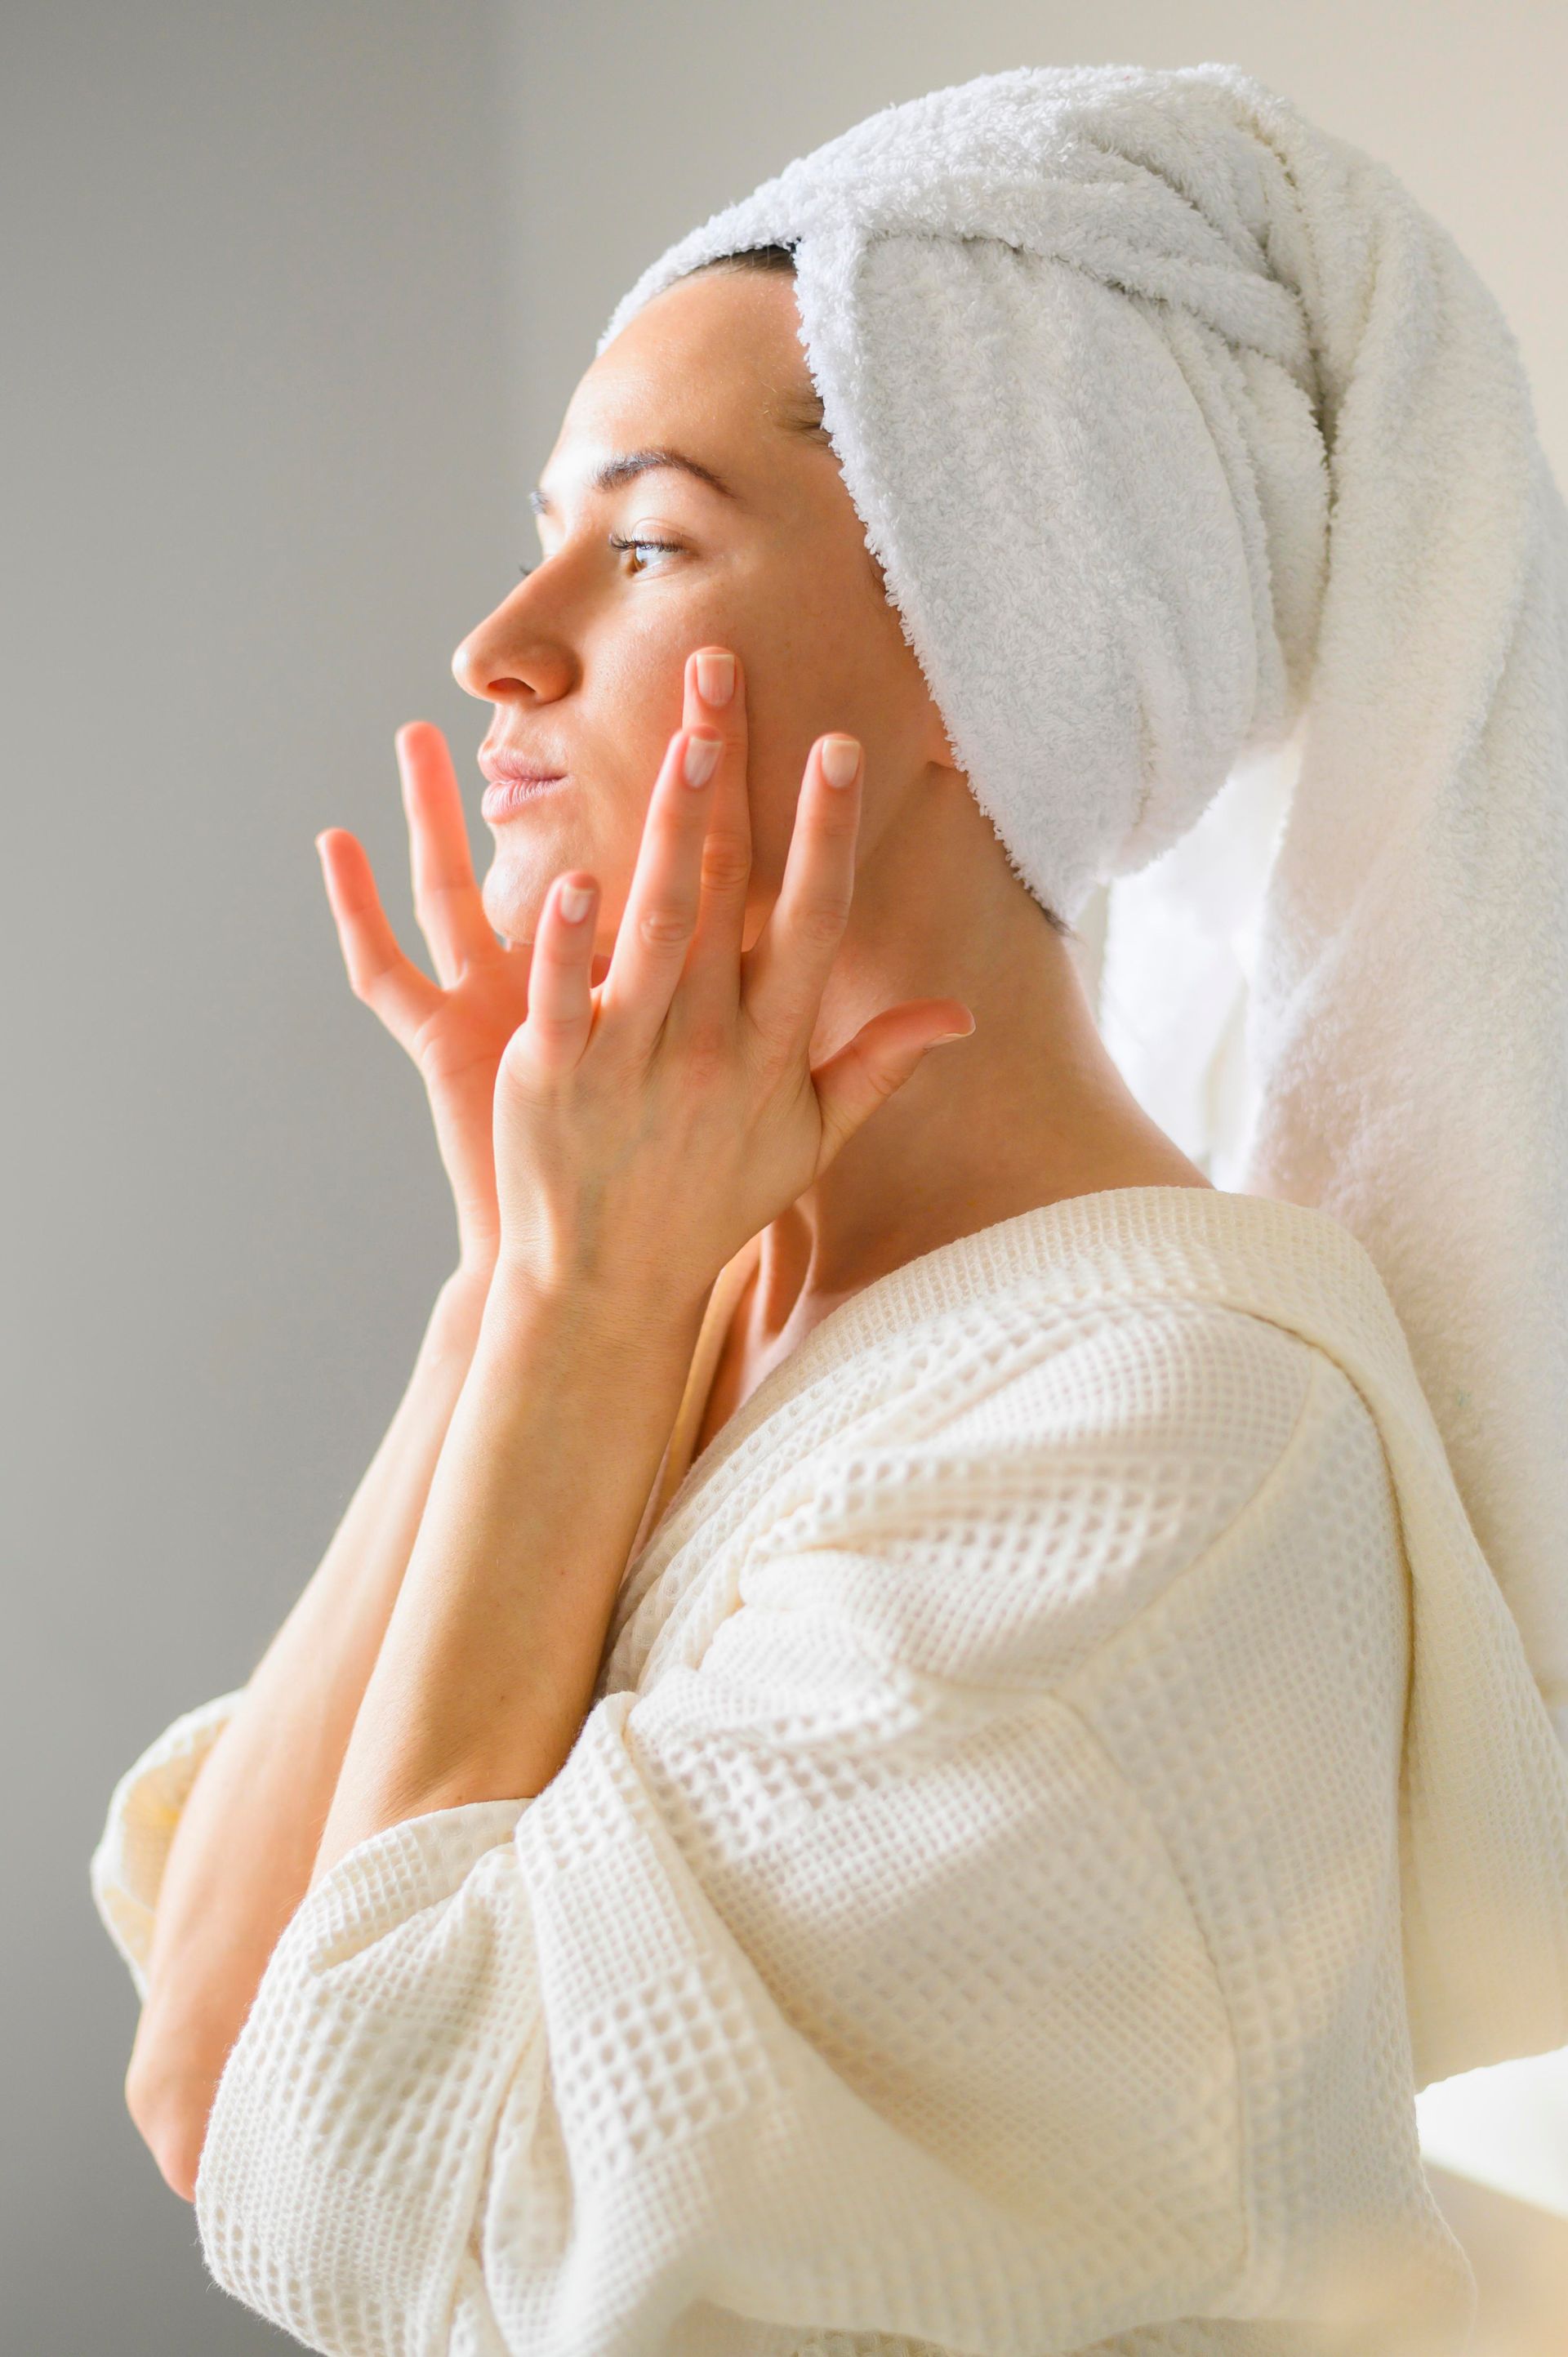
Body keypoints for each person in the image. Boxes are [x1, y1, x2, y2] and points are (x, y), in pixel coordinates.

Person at [91, 65, 1568, 2357]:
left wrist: (578, 1317)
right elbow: (202, 2080)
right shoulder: (672, 1297)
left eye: (650, 539)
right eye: (545, 529)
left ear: (1013, 625)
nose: (502, 639)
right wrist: (516, 1282)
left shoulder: (1172, 1442)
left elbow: (391, 2198)